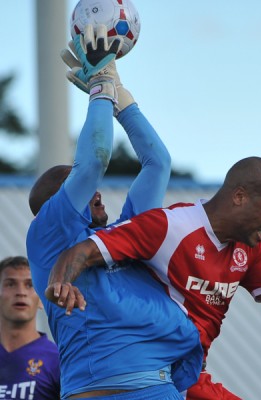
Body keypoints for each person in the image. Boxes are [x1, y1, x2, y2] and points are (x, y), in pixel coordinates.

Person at [45, 156, 261, 400]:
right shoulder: (172, 226)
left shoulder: (252, 249)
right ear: (240, 197)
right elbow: (83, 251)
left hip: (189, 375)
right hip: (150, 373)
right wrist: (63, 282)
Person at [26, 25, 202, 400]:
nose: (97, 194)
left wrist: (121, 99)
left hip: (162, 387)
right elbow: (93, 162)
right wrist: (99, 90)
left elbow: (158, 163)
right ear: (57, 204)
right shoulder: (49, 232)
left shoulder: (120, 237)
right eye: (82, 191)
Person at [0, 256, 61, 400]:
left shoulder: (57, 360)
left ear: (41, 299)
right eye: (10, 284)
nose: (21, 292)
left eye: (30, 285)